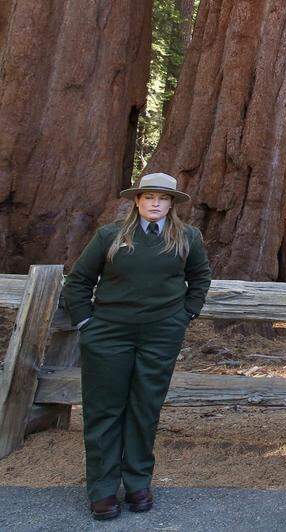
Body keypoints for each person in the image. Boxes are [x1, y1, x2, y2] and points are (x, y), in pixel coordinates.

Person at [61, 172, 212, 521]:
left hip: (160, 336)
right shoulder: (111, 236)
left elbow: (201, 277)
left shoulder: (186, 237)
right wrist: (87, 323)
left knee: (145, 409)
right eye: (148, 197)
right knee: (104, 410)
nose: (155, 203)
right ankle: (101, 489)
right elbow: (80, 280)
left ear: (172, 203)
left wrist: (184, 316)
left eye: (162, 198)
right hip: (109, 335)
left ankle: (138, 483)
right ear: (137, 201)